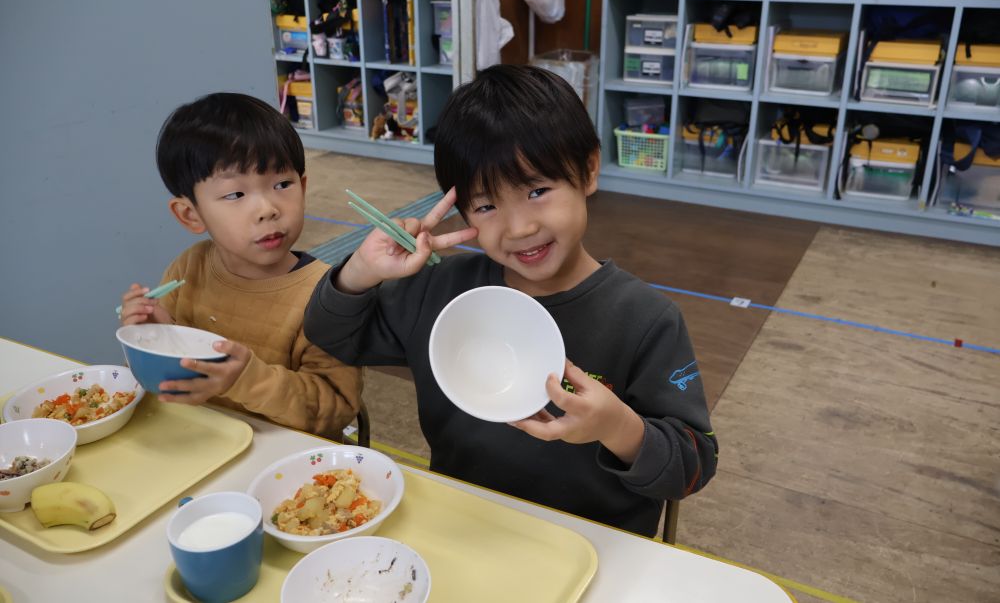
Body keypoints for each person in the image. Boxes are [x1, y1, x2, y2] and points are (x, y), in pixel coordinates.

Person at [304, 66, 717, 536]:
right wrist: (361, 270)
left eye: (538, 191)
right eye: (486, 206)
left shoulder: (645, 319)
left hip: (595, 548)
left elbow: (693, 465)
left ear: (588, 171)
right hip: (465, 527)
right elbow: (329, 333)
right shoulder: (440, 293)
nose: (519, 228)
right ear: (461, 211)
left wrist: (617, 426)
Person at [119, 93, 362, 439]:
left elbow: (333, 412)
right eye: (236, 195)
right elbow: (172, 387)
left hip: (287, 463)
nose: (267, 208)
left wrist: (247, 379)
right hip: (202, 442)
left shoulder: (330, 295)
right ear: (191, 214)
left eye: (282, 184)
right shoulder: (188, 269)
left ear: (303, 186)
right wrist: (156, 337)